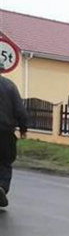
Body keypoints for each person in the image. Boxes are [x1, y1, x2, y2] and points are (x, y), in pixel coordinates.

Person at [0, 74, 28, 208]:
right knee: (5, 161)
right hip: (5, 132)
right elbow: (20, 110)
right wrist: (23, 128)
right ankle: (2, 187)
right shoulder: (10, 86)